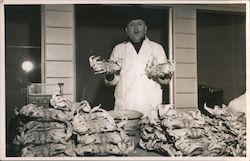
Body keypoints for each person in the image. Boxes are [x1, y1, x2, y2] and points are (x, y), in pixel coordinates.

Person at [89, 14, 174, 117]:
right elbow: (111, 81)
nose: (136, 28)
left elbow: (165, 80)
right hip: (126, 104)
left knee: (151, 130)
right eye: (132, 25)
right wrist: (110, 74)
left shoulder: (157, 48)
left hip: (150, 102)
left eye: (139, 24)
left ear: (145, 29)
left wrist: (162, 73)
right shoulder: (119, 49)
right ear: (126, 30)